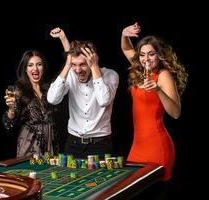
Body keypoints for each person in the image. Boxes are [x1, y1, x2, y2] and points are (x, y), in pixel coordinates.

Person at [121, 23, 188, 199]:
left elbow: (176, 113)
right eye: (142, 54)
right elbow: (126, 47)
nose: (146, 59)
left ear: (159, 55)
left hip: (157, 149)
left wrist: (158, 90)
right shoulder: (141, 69)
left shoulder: (163, 75)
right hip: (137, 148)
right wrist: (124, 33)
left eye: (151, 54)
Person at [48, 27, 119, 158]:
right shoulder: (70, 73)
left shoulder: (110, 75)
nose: (78, 70)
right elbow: (52, 99)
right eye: (74, 64)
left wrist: (94, 67)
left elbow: (103, 101)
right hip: (73, 143)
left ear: (93, 59)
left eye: (82, 64)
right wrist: (67, 66)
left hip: (100, 144)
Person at [2, 50, 57, 158]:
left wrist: (63, 39)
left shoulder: (51, 88)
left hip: (51, 146)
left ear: (43, 68)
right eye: (30, 65)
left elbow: (67, 69)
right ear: (25, 70)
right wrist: (11, 109)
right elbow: (8, 124)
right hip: (29, 148)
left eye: (39, 65)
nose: (35, 69)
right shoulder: (19, 90)